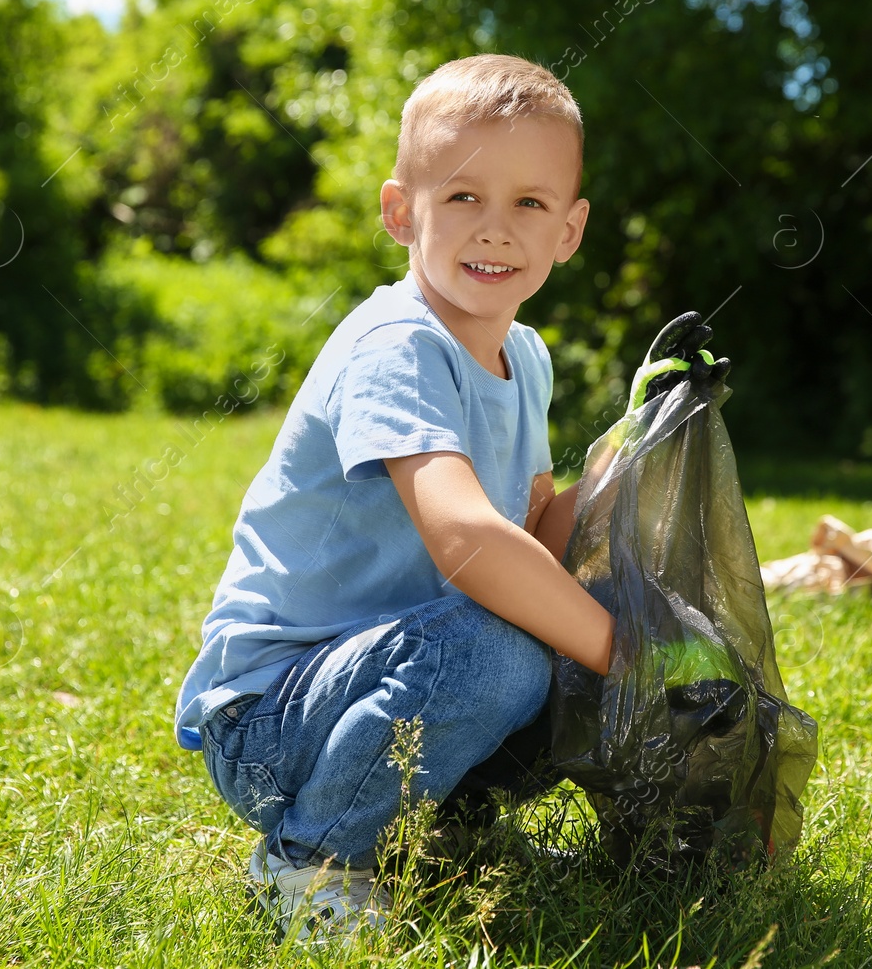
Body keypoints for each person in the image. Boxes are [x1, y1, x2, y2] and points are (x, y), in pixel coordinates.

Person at [173, 53, 724, 942]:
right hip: (274, 721)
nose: (495, 230)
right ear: (402, 212)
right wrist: (621, 653)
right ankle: (311, 856)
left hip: (394, 674)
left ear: (570, 230)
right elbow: (466, 539)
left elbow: (535, 529)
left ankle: (437, 837)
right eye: (464, 197)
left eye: (529, 204)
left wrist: (645, 436)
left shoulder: (527, 357)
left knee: (544, 618)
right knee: (511, 646)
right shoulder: (398, 343)